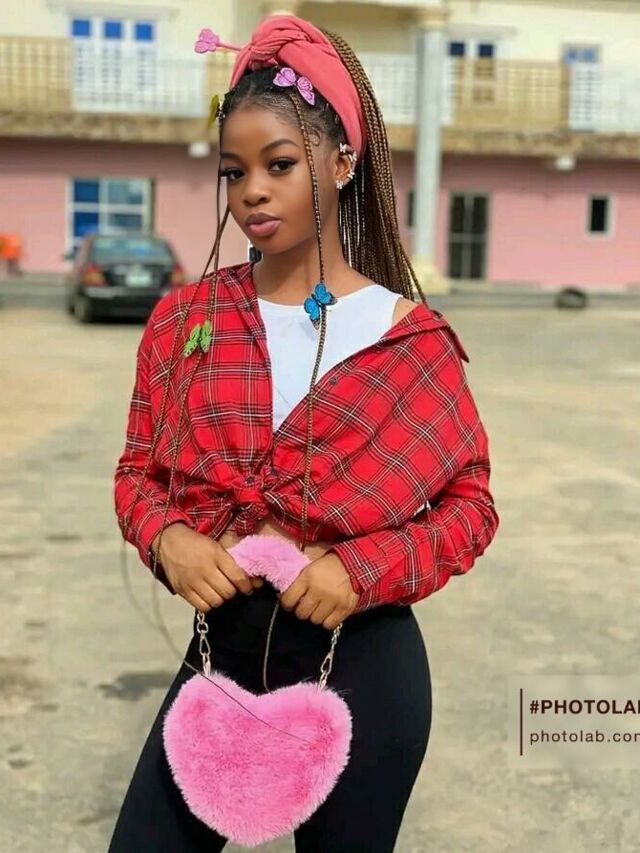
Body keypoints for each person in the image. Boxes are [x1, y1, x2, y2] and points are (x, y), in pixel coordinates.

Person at [108, 14, 500, 852]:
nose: (253, 190)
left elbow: (470, 508)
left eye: (279, 164)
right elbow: (136, 471)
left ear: (342, 163)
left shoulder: (410, 341)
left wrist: (361, 569)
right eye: (234, 171)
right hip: (219, 659)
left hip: (365, 668)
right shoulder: (185, 320)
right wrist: (169, 538)